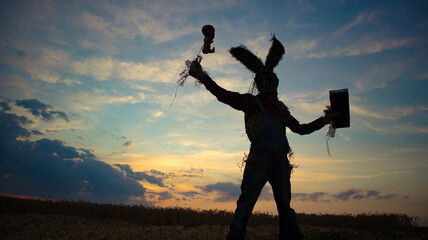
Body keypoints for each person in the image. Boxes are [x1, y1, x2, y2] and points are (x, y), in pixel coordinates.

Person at [189, 36, 335, 240]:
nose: (269, 85)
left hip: (281, 162)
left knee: (284, 204)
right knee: (247, 201)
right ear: (259, 83)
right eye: (265, 81)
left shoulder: (280, 109)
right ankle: (235, 236)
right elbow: (224, 95)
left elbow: (301, 129)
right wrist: (203, 77)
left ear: (275, 83)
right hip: (259, 159)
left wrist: (325, 119)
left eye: (272, 81)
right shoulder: (250, 102)